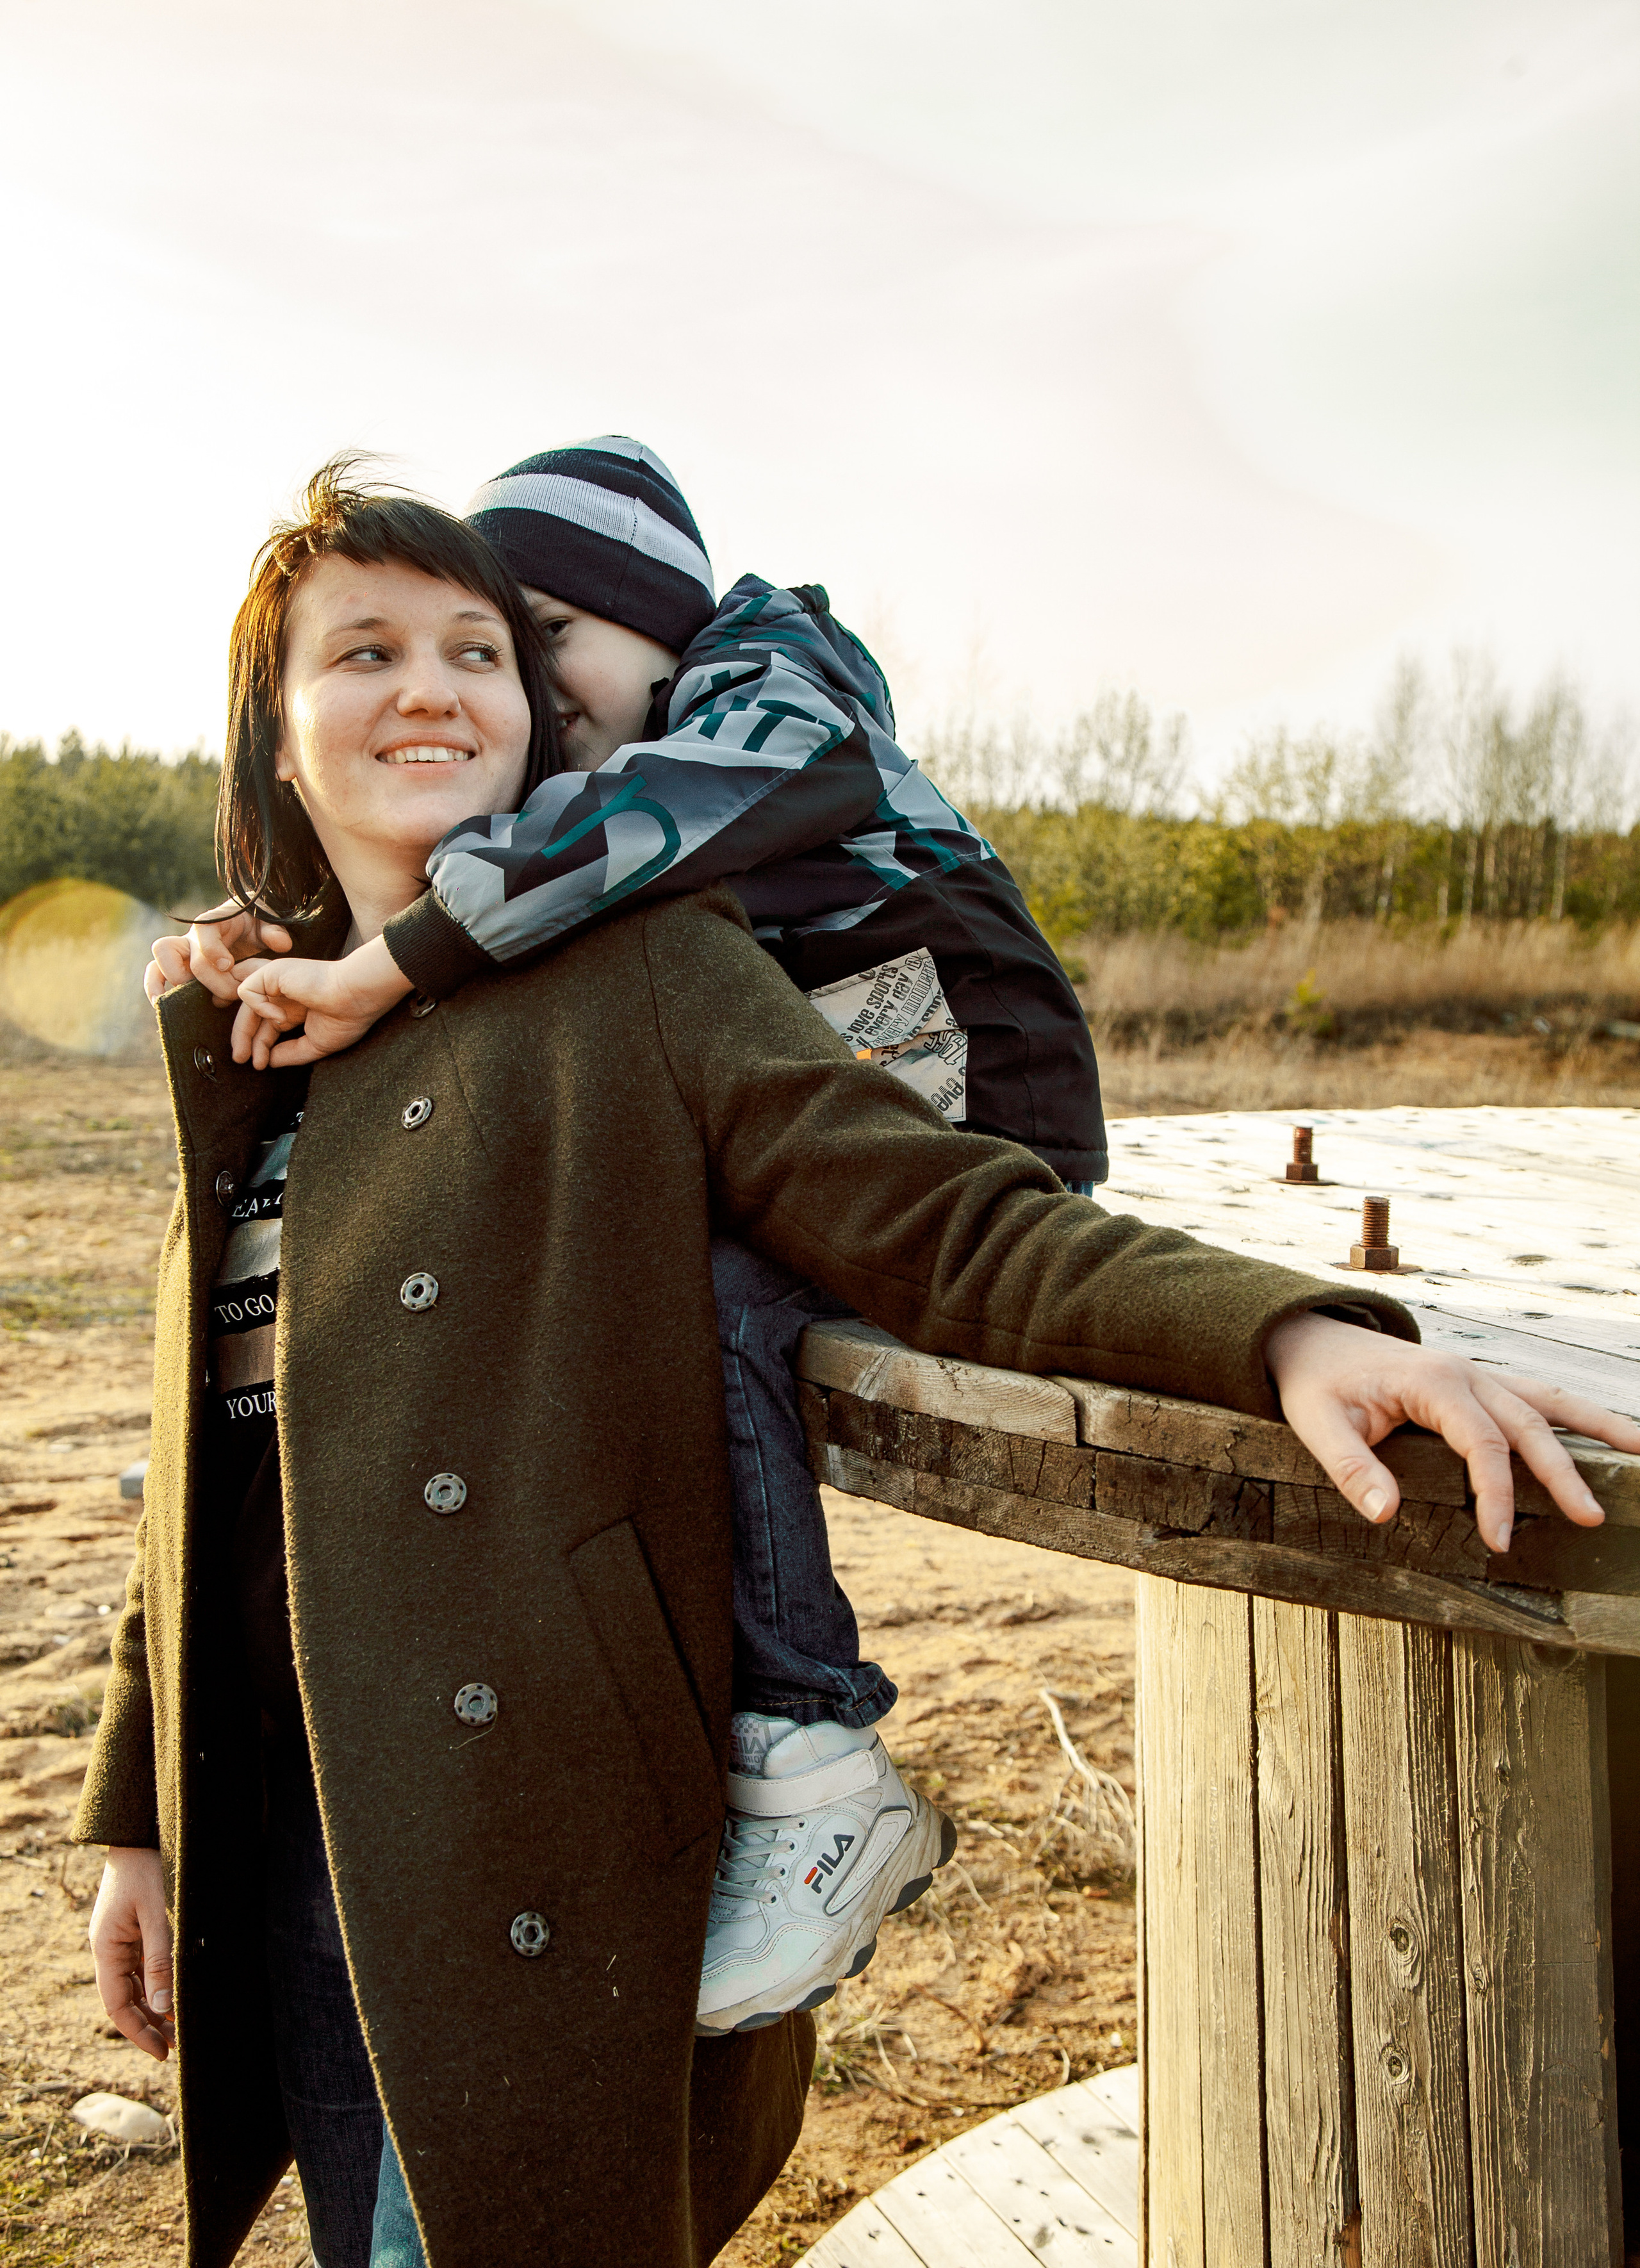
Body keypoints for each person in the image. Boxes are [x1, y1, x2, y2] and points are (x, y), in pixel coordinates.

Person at [103, 462, 1634, 2268]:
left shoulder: (645, 969)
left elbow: (943, 1217)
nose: (434, 689)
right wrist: (139, 1812)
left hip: (535, 1849)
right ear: (276, 732)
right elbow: (199, 1484)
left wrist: (1284, 1332)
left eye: (478, 649)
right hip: (298, 1845)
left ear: (543, 713)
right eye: (365, 652)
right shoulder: (254, 1042)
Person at [149, 436, 1113, 2039]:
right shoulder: (644, 746)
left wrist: (394, 964)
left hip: (959, 1099)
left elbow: (621, 831)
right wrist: (294, 935)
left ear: (661, 622)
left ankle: (809, 1750)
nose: (527, 685)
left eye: (533, 640)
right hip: (852, 1083)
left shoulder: (771, 688)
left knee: (717, 1300)